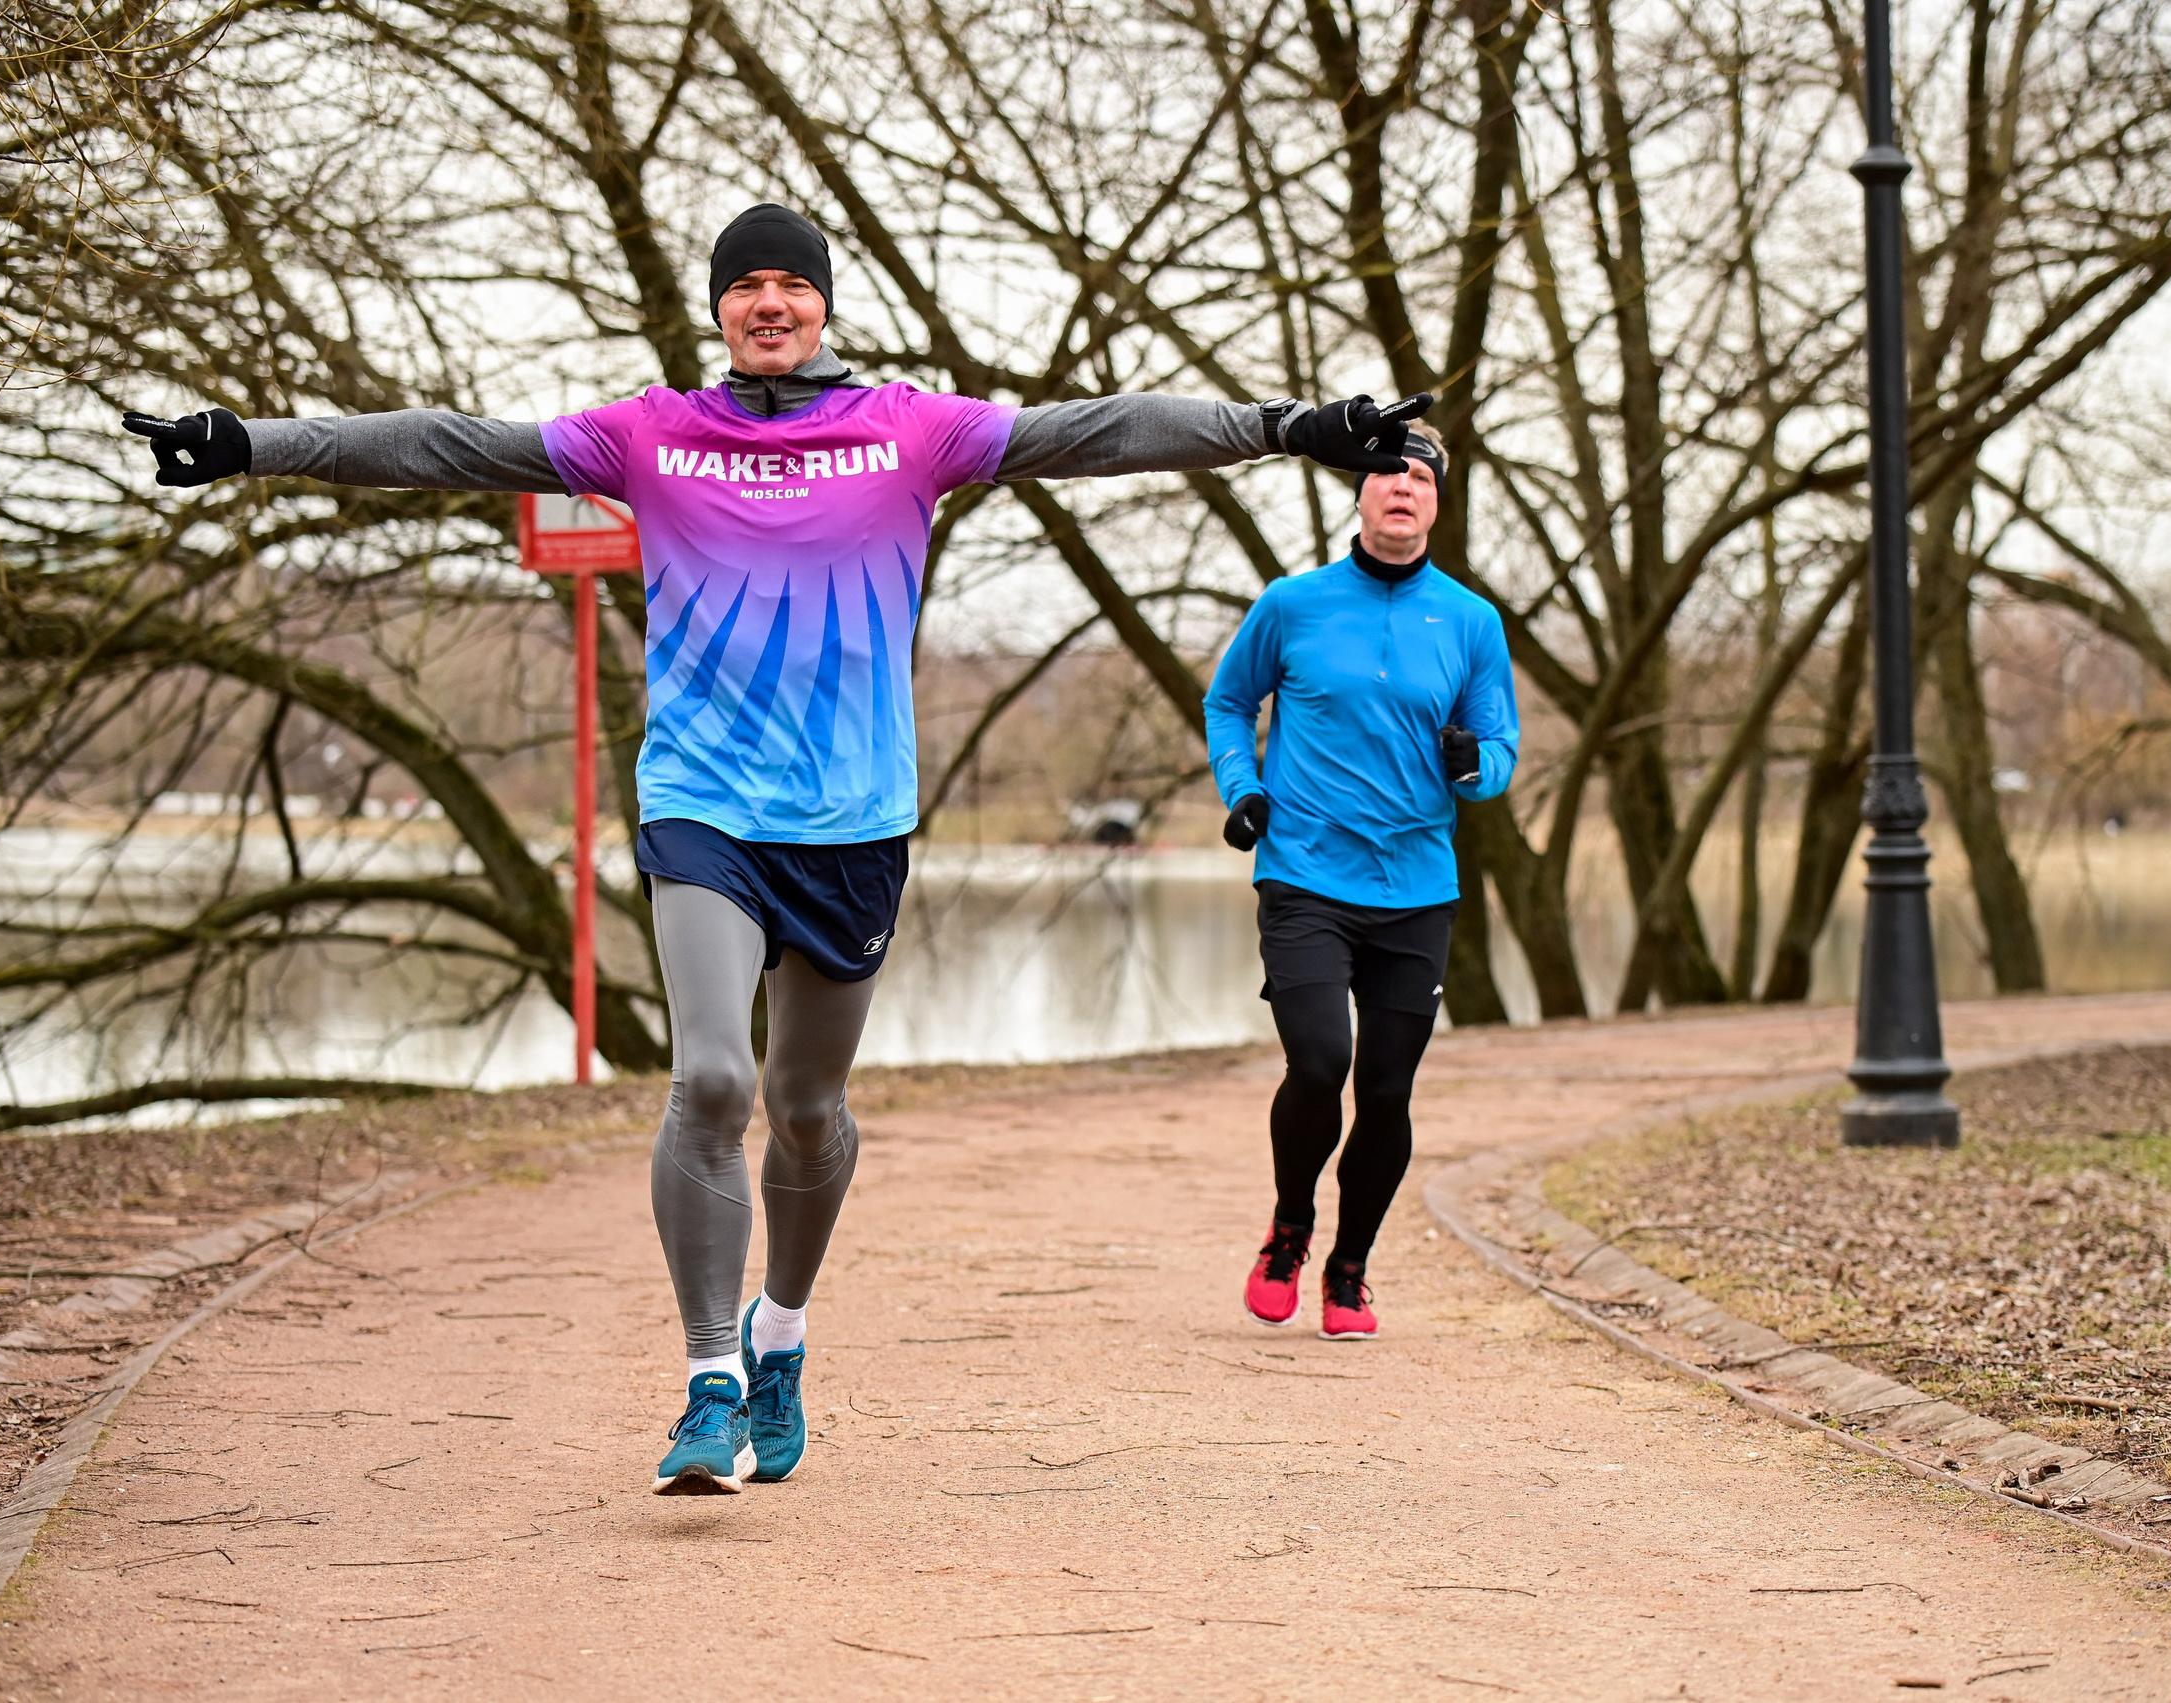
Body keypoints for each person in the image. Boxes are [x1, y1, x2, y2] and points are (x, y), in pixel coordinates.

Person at [123, 202, 1433, 1492]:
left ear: (821, 304)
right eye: (745, 284)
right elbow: (450, 442)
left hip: (853, 821)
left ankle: (779, 1335)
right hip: (702, 806)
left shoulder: (909, 427)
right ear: (719, 308)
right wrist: (255, 444)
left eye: (790, 284)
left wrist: (1287, 426)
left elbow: (1100, 429)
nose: (769, 302)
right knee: (710, 1080)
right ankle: (707, 1380)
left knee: (806, 1109)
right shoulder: (650, 433)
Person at [1202, 423, 1517, 1342]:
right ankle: (1289, 1228)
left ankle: (1350, 1268)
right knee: (1318, 1061)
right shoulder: (1292, 605)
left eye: (1420, 476)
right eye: (1386, 472)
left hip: (1416, 885)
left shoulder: (1471, 621)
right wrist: (1243, 787)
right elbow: (1229, 702)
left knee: (1385, 1089)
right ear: (1361, 493)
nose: (1402, 486)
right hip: (1304, 873)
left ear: (1436, 503)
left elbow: (1499, 745)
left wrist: (1474, 766)